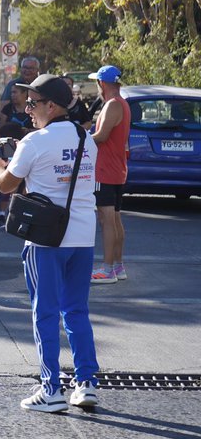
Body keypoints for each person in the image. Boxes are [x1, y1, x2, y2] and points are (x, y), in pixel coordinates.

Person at [0, 73, 100, 413]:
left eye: (32, 103)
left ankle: (51, 389)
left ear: (51, 105)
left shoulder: (34, 142)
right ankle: (86, 383)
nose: (28, 110)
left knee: (45, 312)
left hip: (46, 239)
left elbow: (5, 185)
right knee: (77, 310)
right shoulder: (86, 139)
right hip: (83, 235)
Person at [87, 65, 130, 284]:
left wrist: (81, 138)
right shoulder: (121, 103)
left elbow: (102, 136)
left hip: (105, 169)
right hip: (116, 168)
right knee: (115, 218)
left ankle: (107, 269)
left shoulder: (113, 104)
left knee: (106, 219)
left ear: (102, 83)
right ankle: (118, 266)